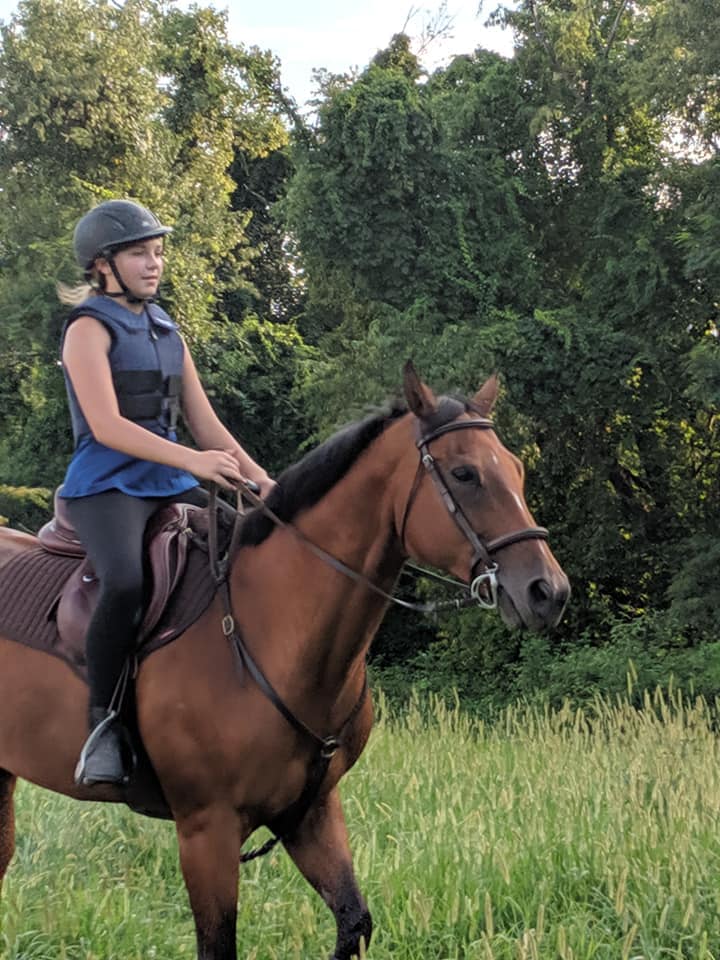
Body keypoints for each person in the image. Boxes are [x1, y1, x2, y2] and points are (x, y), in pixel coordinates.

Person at [58, 198, 274, 788]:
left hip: (170, 481)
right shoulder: (87, 329)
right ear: (102, 265)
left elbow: (206, 425)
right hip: (107, 486)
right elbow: (106, 426)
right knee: (126, 581)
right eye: (139, 254)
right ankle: (103, 726)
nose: (154, 264)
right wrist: (194, 462)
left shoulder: (167, 329)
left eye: (157, 253)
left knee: (245, 555)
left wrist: (261, 480)